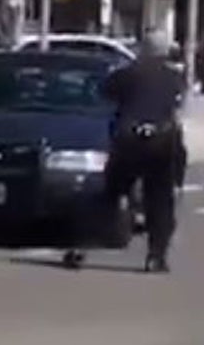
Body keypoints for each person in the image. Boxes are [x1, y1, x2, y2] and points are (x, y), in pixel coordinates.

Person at [65, 30, 185, 273]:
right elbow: (175, 111)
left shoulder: (125, 75)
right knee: (160, 201)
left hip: (128, 140)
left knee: (110, 195)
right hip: (161, 140)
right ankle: (156, 256)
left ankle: (81, 247)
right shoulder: (174, 79)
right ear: (165, 52)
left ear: (144, 49)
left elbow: (105, 94)